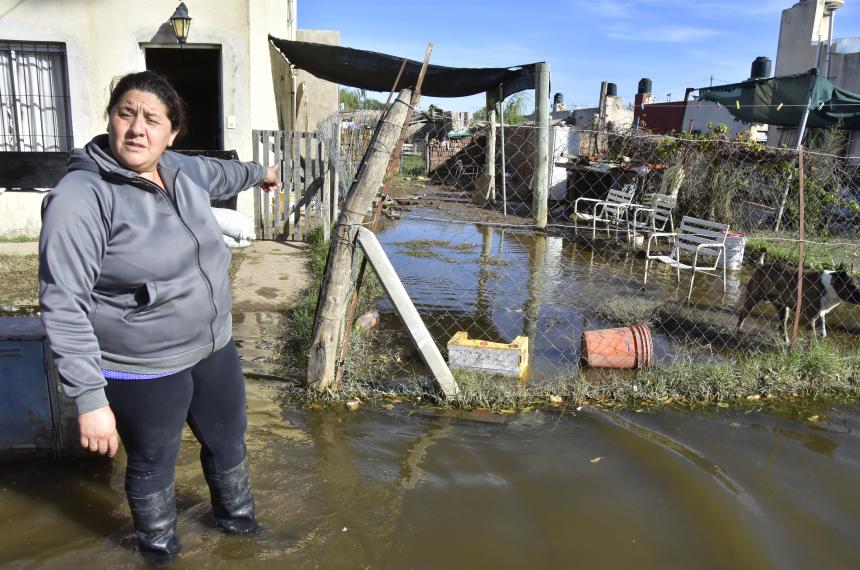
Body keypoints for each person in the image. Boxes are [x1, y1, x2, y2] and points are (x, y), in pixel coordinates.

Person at [38, 70, 278, 561]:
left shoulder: (179, 169)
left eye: (152, 119)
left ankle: (240, 532)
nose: (136, 129)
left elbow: (227, 174)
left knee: (229, 444)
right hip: (142, 361)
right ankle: (158, 549)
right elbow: (63, 302)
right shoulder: (81, 197)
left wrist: (261, 173)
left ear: (171, 133)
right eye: (125, 114)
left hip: (211, 345)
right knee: (152, 463)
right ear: (110, 119)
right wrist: (89, 399)